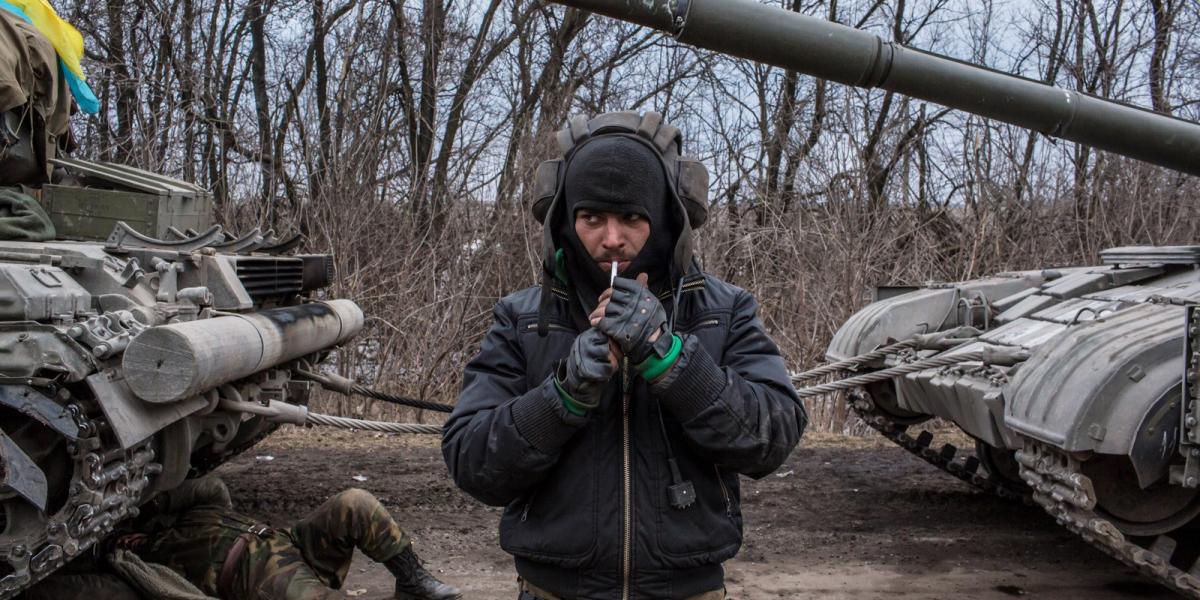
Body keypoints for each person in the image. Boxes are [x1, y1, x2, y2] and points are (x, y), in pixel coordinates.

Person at [443, 111, 807, 599]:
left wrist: (670, 358)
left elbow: (772, 436)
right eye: (591, 218)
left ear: (663, 219)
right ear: (566, 219)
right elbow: (471, 461)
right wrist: (562, 397)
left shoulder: (723, 309)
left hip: (687, 589)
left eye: (632, 218)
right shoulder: (524, 318)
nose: (611, 238)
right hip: (555, 589)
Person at [111, 476, 462, 600]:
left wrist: (145, 506)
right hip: (256, 577)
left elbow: (211, 486)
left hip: (290, 542)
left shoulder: (201, 507)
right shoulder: (146, 563)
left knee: (354, 502)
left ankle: (412, 581)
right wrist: (134, 546)